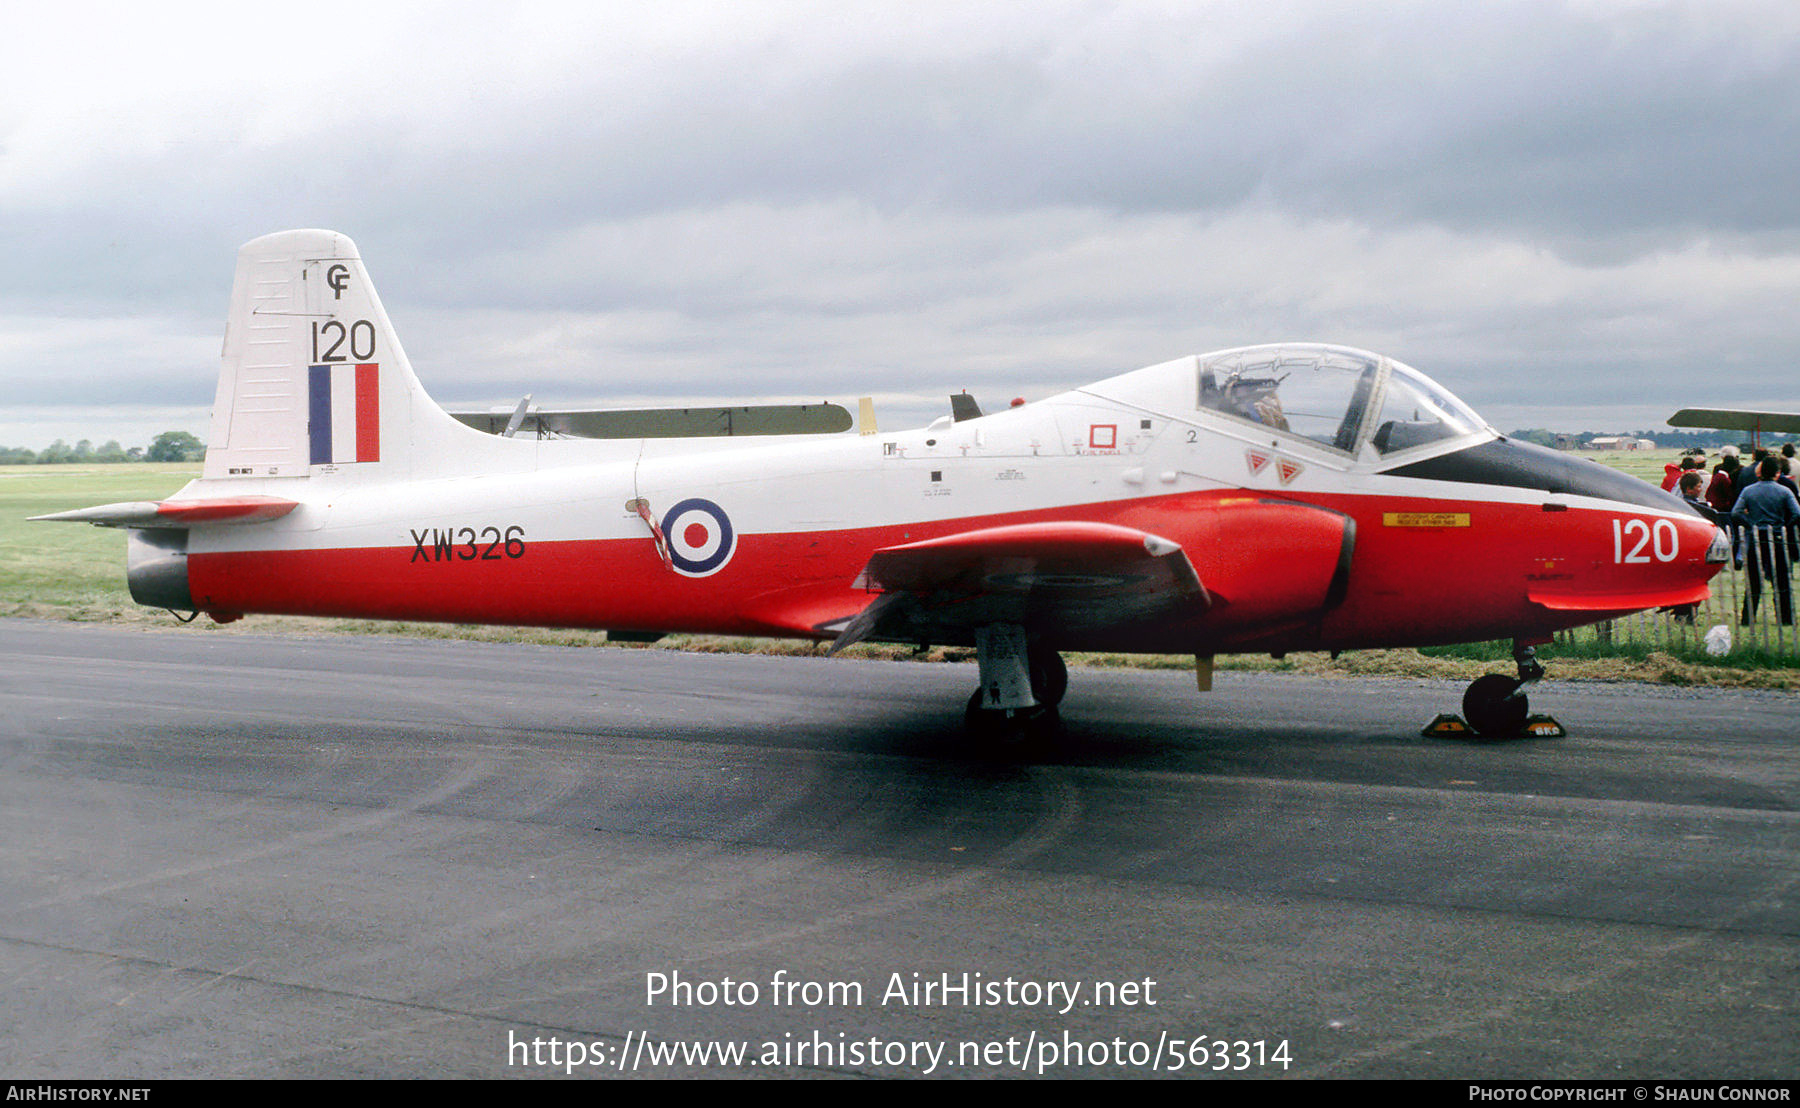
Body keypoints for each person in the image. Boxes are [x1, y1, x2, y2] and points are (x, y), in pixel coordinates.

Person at [1730, 455, 1800, 625]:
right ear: (1777, 473)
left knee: (1753, 581)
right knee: (1781, 580)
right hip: (1777, 538)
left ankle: (1748, 618)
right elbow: (1797, 513)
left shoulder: (1749, 490)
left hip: (1756, 538)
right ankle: (1786, 618)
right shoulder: (1784, 491)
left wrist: (1750, 524)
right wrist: (1784, 525)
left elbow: (1736, 512)